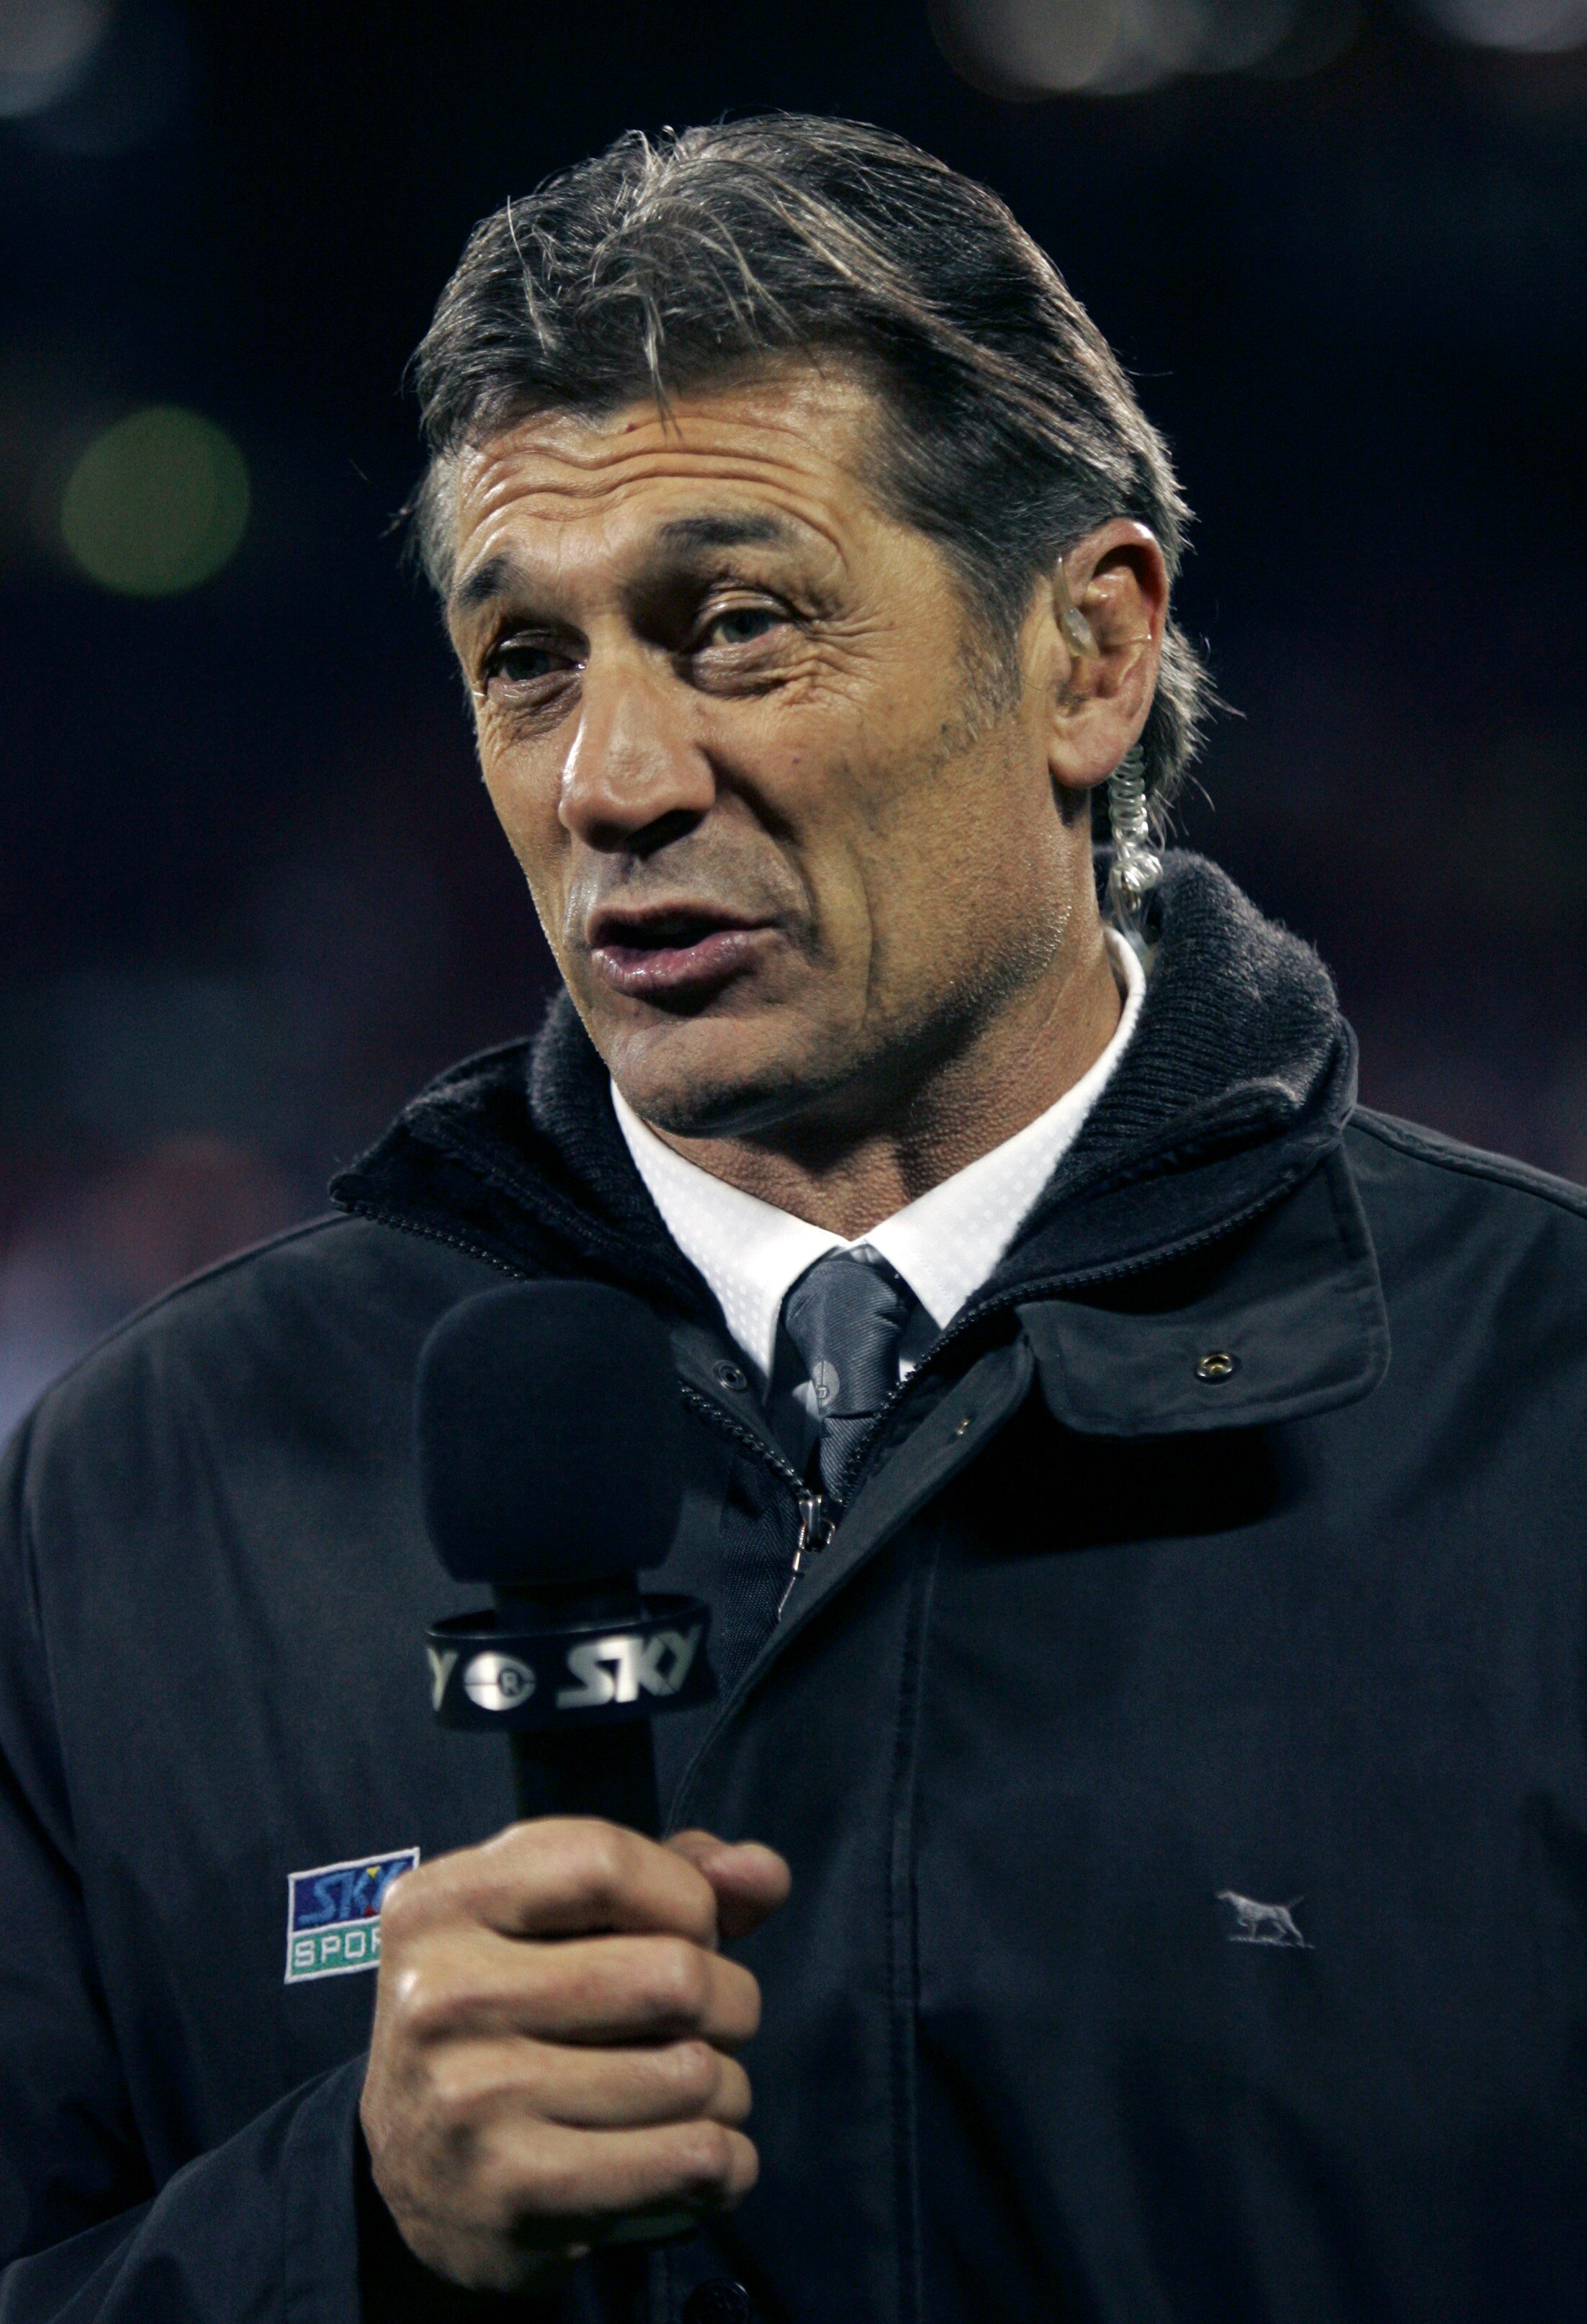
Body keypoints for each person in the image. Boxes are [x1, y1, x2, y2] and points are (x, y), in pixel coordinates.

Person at [1, 114, 1584, 2324]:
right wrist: (347, 2221)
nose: (610, 780)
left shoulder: (1540, 1416)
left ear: (1089, 655)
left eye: (733, 627)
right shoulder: (150, 1487)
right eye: (525, 659)